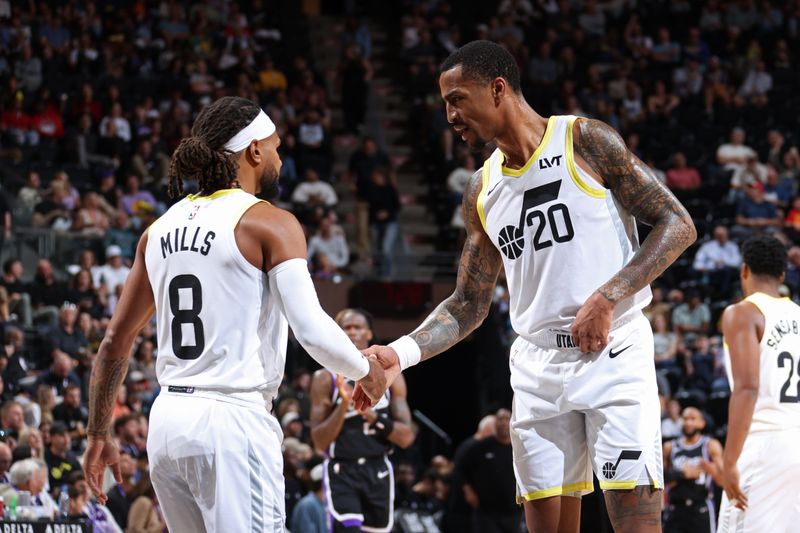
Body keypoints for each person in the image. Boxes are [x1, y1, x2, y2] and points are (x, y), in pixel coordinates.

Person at [356, 40, 696, 533]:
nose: (449, 114)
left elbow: (677, 222)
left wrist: (609, 296)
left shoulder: (585, 140)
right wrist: (399, 355)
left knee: (637, 522)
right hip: (537, 367)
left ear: (497, 89)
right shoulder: (481, 188)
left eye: (457, 99)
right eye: (445, 103)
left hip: (613, 352)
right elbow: (467, 304)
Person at [83, 96, 388, 532]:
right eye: (276, 146)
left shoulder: (158, 230)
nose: (281, 157)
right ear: (254, 150)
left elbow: (115, 341)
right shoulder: (268, 222)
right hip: (231, 420)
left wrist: (98, 433)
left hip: (168, 421)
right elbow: (312, 329)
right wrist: (364, 369)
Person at [718, 235, 800, 532]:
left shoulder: (742, 312)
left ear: (744, 270)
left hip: (763, 444)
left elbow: (748, 388)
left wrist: (729, 462)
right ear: (781, 275)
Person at [310, 308, 415, 532]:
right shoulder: (324, 378)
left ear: (369, 333)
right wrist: (343, 406)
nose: (352, 332)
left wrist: (369, 413)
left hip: (378, 468)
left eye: (358, 327)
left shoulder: (391, 378)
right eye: (346, 328)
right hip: (342, 469)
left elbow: (406, 437)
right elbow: (319, 442)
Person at [662, 407, 723, 533]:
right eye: (685, 419)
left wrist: (710, 469)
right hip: (675, 508)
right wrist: (683, 474)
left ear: (702, 423)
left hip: (700, 508)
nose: (688, 422)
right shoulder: (669, 447)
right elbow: (661, 479)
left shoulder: (710, 445)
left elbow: (723, 481)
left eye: (693, 419)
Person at [461, 408, 521, 533]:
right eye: (500, 419)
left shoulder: (519, 447)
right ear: (495, 422)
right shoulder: (480, 447)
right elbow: (462, 469)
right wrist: (468, 490)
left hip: (514, 512)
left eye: (507, 419)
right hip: (486, 513)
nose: (503, 422)